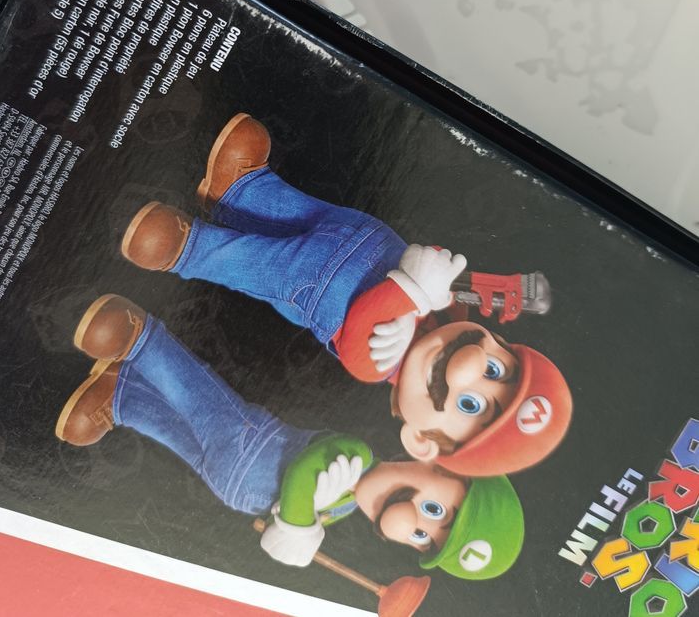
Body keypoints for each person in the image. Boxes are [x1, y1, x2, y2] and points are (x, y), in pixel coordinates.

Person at [121, 113, 572, 476]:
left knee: (260, 264)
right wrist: (461, 282)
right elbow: (440, 265)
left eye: (471, 404)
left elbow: (361, 331)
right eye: (496, 368)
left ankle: (187, 249)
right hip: (353, 232)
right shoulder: (449, 309)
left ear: (419, 438)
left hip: (316, 284)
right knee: (300, 213)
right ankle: (242, 189)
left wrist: (415, 292)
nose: (472, 364)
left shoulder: (380, 363)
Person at [56, 294, 525, 581]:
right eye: (439, 511)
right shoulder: (356, 457)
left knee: (174, 431)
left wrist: (296, 522)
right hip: (247, 443)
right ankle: (139, 337)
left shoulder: (344, 507)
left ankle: (121, 397)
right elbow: (304, 471)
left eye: (423, 537)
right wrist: (299, 526)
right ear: (438, 464)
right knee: (191, 394)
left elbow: (292, 508)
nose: (418, 522)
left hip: (228, 481)